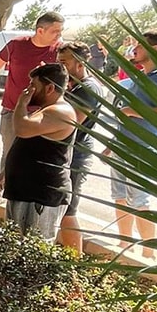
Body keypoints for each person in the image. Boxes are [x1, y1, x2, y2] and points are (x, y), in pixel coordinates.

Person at [110, 30, 157, 259]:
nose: (134, 50)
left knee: (139, 200)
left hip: (143, 148)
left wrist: (134, 111)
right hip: (123, 144)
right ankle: (124, 245)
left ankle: (149, 254)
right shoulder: (141, 76)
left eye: (139, 46)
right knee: (120, 196)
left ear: (155, 49)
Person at [0, 63, 76, 241]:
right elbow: (26, 142)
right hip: (24, 191)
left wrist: (21, 102)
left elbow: (22, 128)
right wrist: (6, 172)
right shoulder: (45, 111)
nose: (28, 89)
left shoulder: (60, 112)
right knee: (14, 245)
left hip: (41, 195)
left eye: (33, 85)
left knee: (35, 247)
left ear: (50, 88)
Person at [0, 12, 64, 195]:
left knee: (36, 154)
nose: (59, 36)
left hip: (42, 114)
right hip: (12, 111)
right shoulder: (16, 45)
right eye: (55, 31)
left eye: (61, 31)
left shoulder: (59, 51)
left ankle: (27, 192)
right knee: (10, 152)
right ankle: (3, 192)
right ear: (40, 30)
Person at [56, 42, 107, 253]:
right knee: (60, 208)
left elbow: (71, 122)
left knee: (68, 210)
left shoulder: (88, 88)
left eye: (64, 62)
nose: (60, 67)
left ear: (80, 63)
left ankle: (73, 264)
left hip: (76, 157)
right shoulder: (73, 86)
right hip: (66, 154)